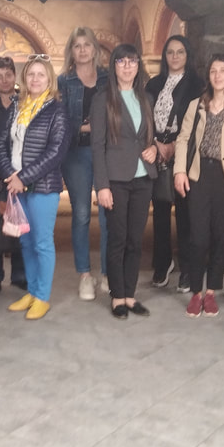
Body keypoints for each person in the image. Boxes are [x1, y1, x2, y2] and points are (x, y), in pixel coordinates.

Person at [174, 54, 224, 318]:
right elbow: (183, 138)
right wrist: (180, 171)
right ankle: (196, 292)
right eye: (213, 71)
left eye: (223, 71)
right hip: (199, 174)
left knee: (220, 235)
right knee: (198, 237)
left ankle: (211, 292)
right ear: (208, 76)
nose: (218, 76)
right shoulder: (197, 105)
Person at [0, 55, 71, 320]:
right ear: (24, 79)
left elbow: (56, 152)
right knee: (25, 242)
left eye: (41, 74)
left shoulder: (57, 110)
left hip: (43, 187)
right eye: (31, 74)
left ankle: (42, 297)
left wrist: (23, 177)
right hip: (16, 185)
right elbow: (2, 144)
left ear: (50, 79)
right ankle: (31, 291)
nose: (35, 79)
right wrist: (9, 174)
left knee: (41, 242)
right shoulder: (16, 107)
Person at [92, 44, 158, 319]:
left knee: (135, 240)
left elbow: (149, 136)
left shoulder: (146, 98)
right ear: (114, 66)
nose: (127, 66)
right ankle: (117, 297)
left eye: (132, 61)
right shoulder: (102, 100)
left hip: (143, 178)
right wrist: (102, 186)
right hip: (116, 179)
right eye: (121, 61)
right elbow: (97, 146)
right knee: (117, 239)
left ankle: (130, 296)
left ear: (138, 65)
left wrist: (154, 148)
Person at [145, 34, 203, 292]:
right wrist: (155, 144)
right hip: (156, 151)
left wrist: (174, 146)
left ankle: (187, 268)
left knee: (186, 213)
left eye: (180, 51)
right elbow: (145, 117)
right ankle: (162, 262)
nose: (175, 56)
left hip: (184, 153)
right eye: (170, 52)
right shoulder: (154, 83)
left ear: (188, 55)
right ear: (164, 56)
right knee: (159, 211)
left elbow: (198, 123)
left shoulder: (197, 85)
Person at [58, 26, 109, 300]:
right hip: (76, 153)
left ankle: (108, 273)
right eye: (77, 46)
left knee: (108, 213)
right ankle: (85, 276)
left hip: (106, 153)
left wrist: (99, 129)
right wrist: (84, 128)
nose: (82, 50)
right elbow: (60, 121)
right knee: (80, 214)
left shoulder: (108, 78)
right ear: (71, 51)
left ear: (95, 49)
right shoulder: (63, 81)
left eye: (87, 44)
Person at [0, 56, 26, 292]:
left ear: (15, 75)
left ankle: (19, 275)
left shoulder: (26, 103)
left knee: (19, 221)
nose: (4, 80)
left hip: (21, 171)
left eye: (8, 75)